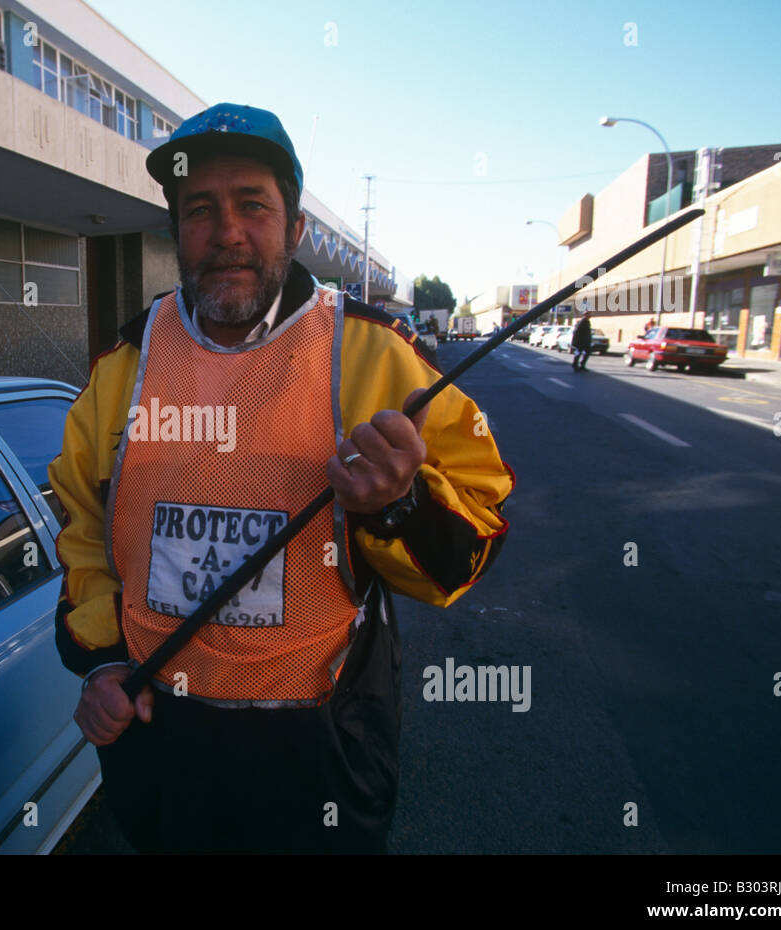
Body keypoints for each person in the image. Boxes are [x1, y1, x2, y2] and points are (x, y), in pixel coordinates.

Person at [48, 103, 515, 854]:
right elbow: (81, 532)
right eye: (199, 209)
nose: (227, 231)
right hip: (160, 752)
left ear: (295, 228)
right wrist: (102, 662)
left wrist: (399, 507)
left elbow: (479, 528)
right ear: (175, 230)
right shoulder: (122, 368)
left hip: (322, 763)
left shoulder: (374, 354)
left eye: (252, 206)